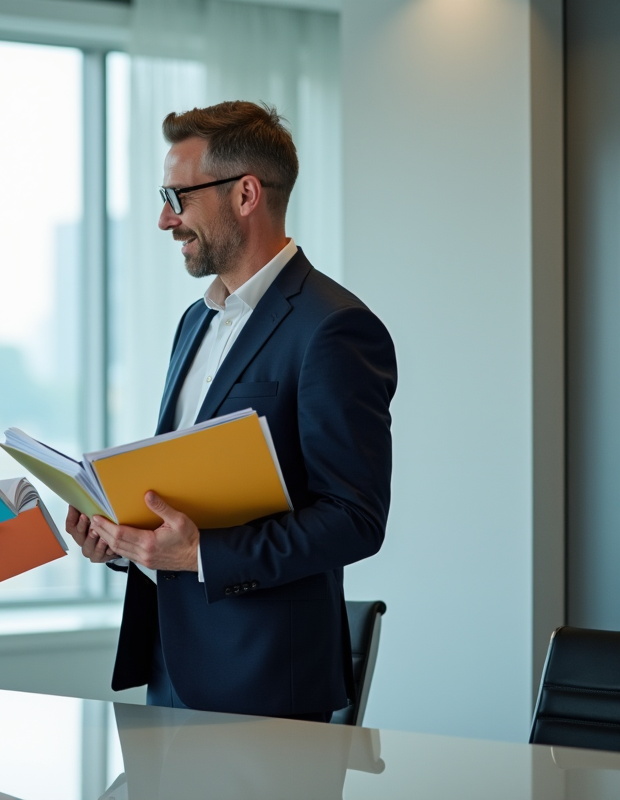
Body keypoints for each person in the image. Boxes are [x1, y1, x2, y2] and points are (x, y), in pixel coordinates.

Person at [66, 102, 397, 721]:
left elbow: (355, 519)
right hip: (170, 673)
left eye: (177, 196)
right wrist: (122, 537)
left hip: (268, 684)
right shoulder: (196, 321)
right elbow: (187, 496)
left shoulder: (334, 328)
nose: (166, 219)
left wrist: (201, 555)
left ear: (246, 193)